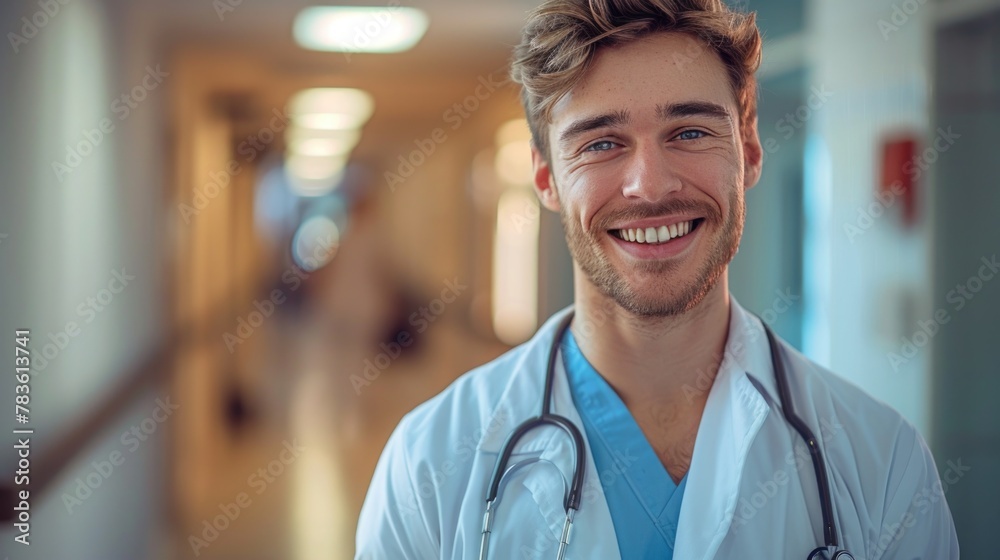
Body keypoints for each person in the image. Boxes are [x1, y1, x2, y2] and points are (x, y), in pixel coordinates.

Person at [354, 0, 960, 558]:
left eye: (690, 132)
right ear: (546, 179)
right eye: (601, 143)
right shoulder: (430, 465)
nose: (651, 184)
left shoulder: (881, 463)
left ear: (748, 148)